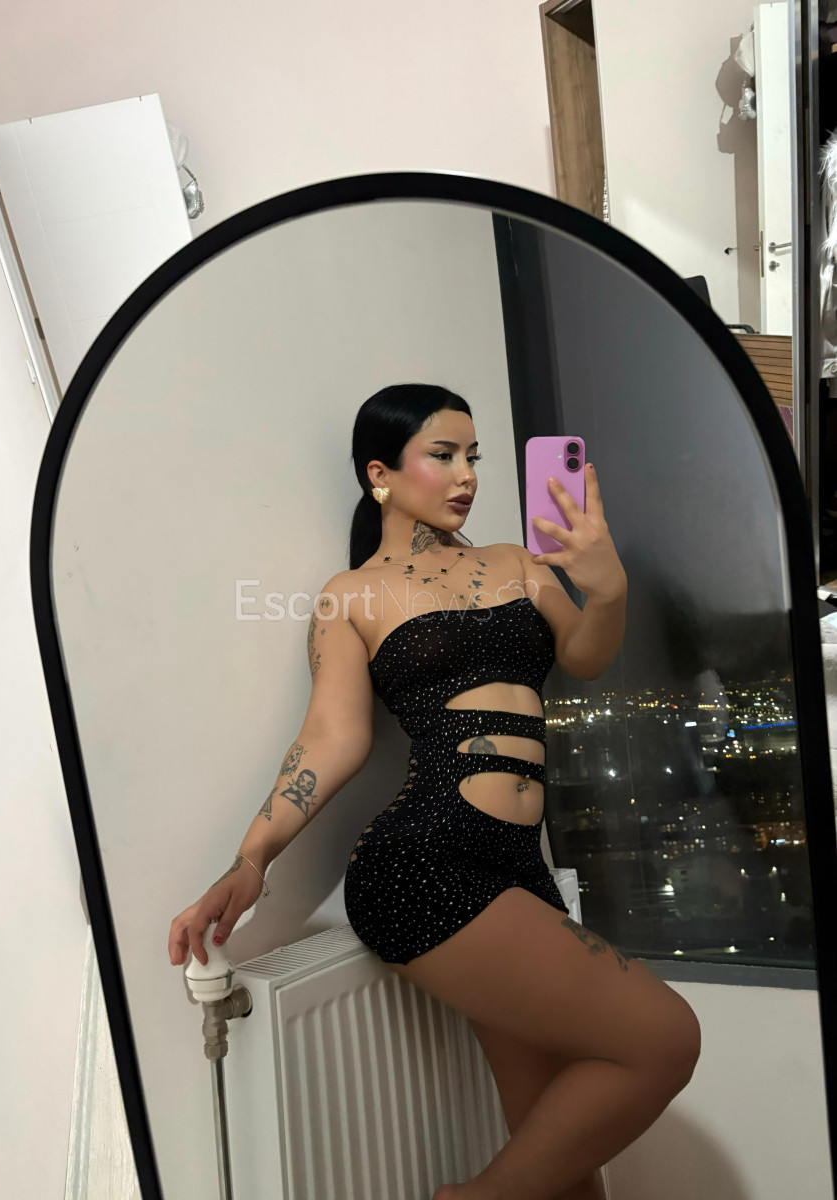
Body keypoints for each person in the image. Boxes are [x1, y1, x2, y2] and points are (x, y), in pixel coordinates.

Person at [169, 384, 701, 1200]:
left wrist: (610, 590)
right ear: (379, 474)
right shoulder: (351, 595)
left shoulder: (517, 564)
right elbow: (330, 740)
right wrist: (251, 859)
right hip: (423, 864)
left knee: (562, 1173)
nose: (467, 476)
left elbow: (588, 657)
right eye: (443, 455)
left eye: (473, 457)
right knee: (666, 1039)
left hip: (516, 867)